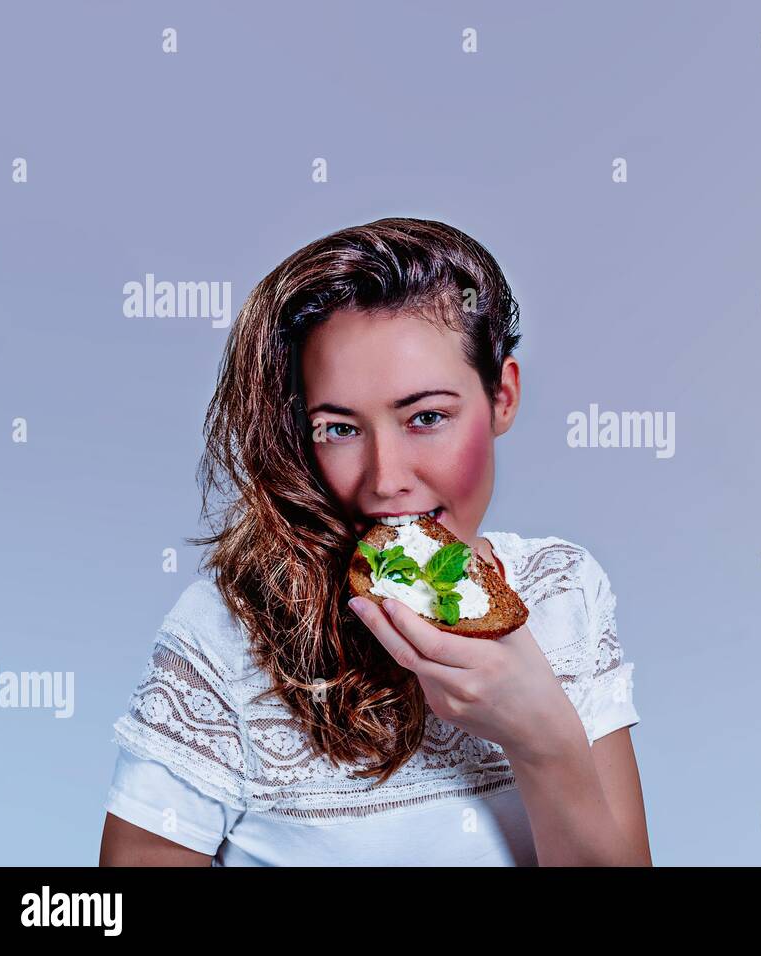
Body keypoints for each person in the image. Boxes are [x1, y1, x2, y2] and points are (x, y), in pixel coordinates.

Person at [98, 218, 650, 866]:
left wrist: (542, 740)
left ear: (502, 396)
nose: (386, 480)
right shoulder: (225, 634)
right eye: (338, 428)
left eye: (426, 417)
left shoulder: (564, 594)